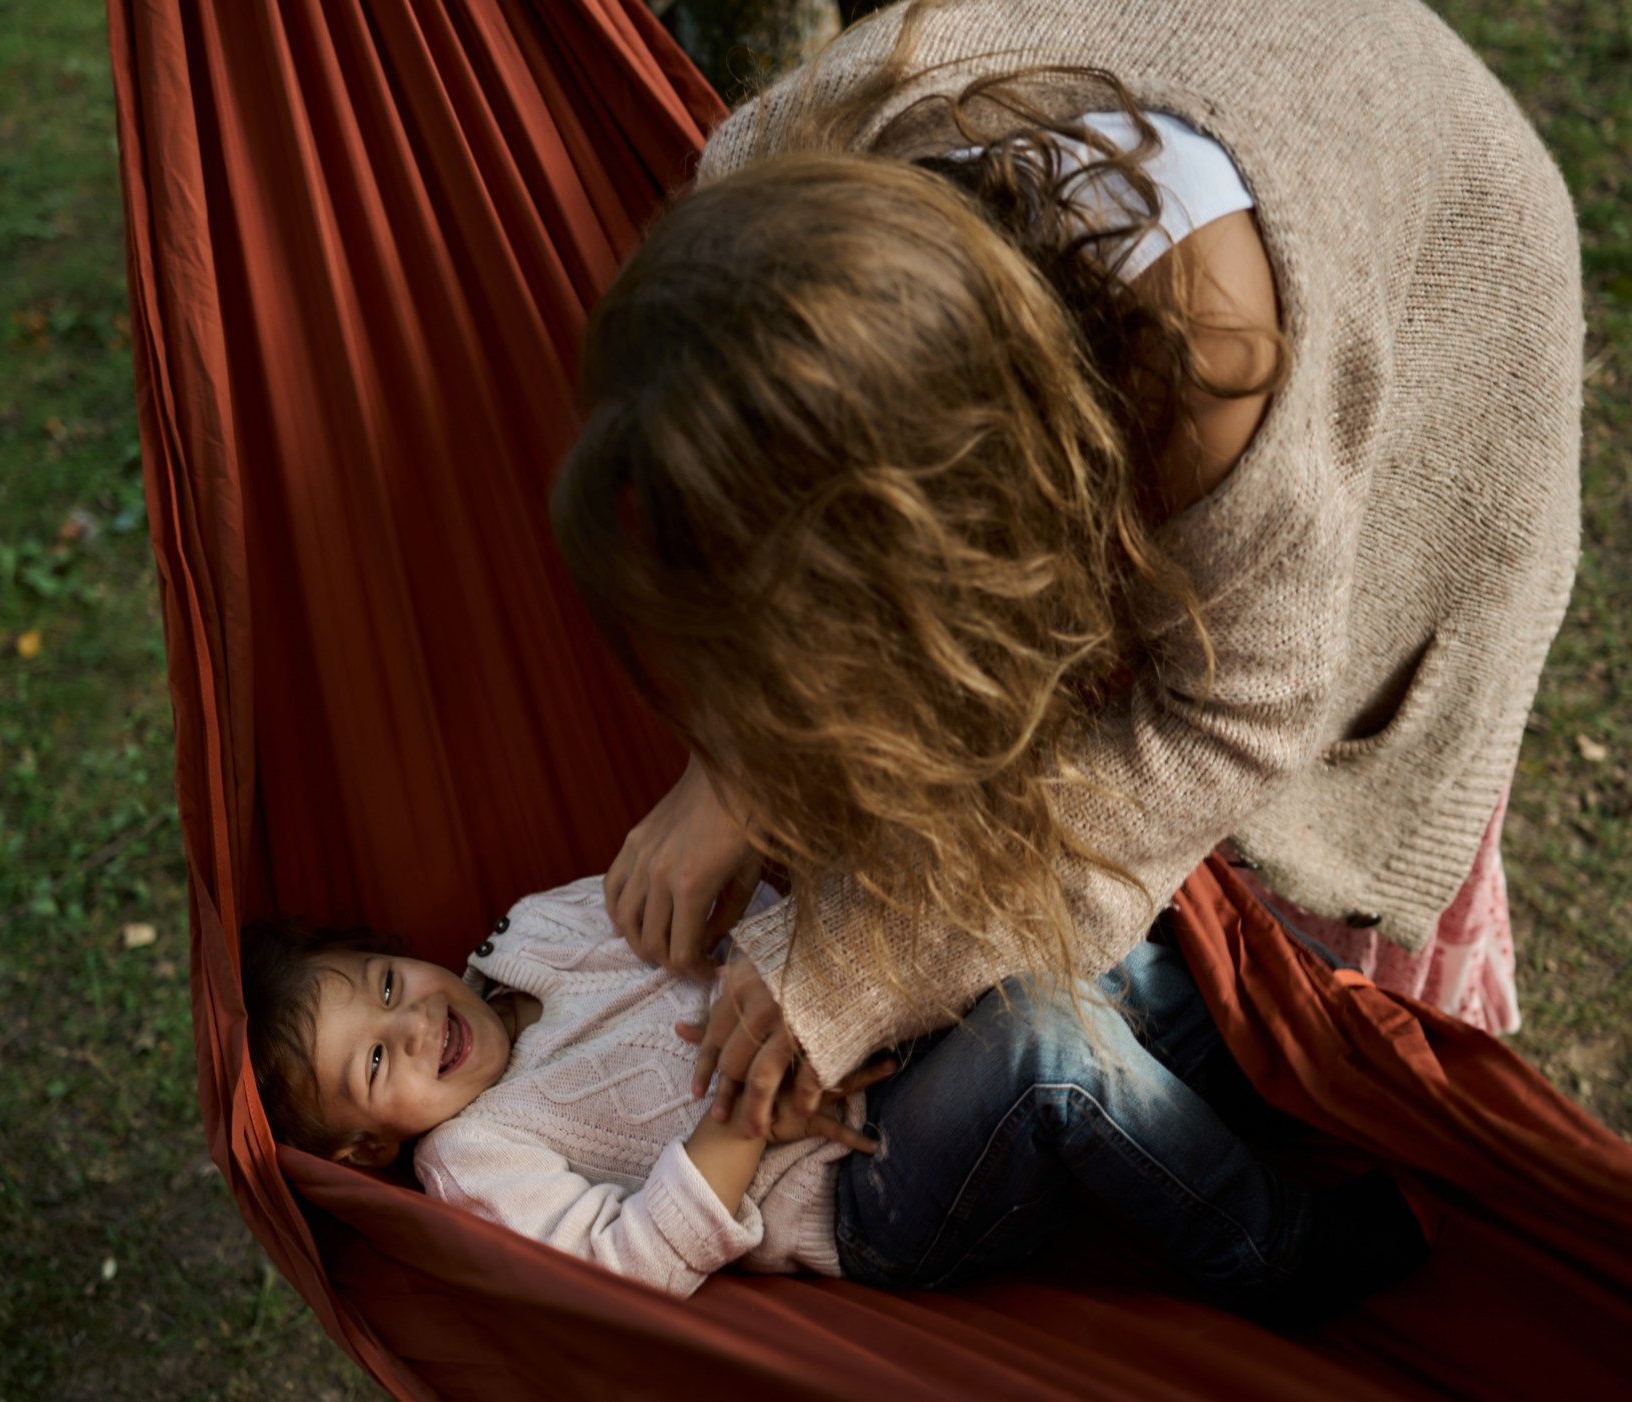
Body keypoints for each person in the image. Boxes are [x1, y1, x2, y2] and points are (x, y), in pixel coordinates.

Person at [548, 0, 1582, 1138]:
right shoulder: (766, 179)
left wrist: (862, 958)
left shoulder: (1215, 374)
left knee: (1286, 905)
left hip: (1445, 253)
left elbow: (1234, 717)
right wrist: (732, 768)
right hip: (1186, 84)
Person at [243, 878, 1429, 1316]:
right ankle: (1275, 1250)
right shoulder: (472, 1157)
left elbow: (737, 908)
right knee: (1042, 1045)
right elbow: (623, 1265)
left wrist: (828, 995)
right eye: (378, 1061)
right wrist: (738, 1119)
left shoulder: (533, 931)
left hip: (882, 1025)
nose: (412, 1023)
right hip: (867, 1180)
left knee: (1081, 929)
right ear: (361, 1139)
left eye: (386, 985)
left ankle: (1260, 1088)